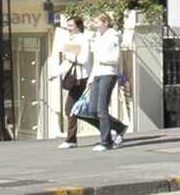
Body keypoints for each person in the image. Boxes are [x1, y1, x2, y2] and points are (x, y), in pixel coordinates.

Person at [86, 13, 127, 153]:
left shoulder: (113, 37)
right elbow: (96, 61)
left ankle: (106, 141)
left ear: (105, 22)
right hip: (98, 74)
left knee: (102, 108)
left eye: (97, 22)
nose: (95, 25)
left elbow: (115, 58)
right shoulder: (98, 37)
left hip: (109, 74)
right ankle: (119, 127)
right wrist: (91, 78)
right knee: (93, 109)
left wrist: (101, 57)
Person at [53, 14, 91, 148]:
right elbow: (67, 62)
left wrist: (68, 54)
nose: (68, 28)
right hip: (74, 75)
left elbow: (83, 59)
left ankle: (71, 139)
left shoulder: (82, 39)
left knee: (70, 108)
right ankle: (111, 125)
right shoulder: (70, 38)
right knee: (77, 109)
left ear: (78, 26)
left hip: (80, 77)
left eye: (71, 25)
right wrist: (55, 73)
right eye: (67, 25)